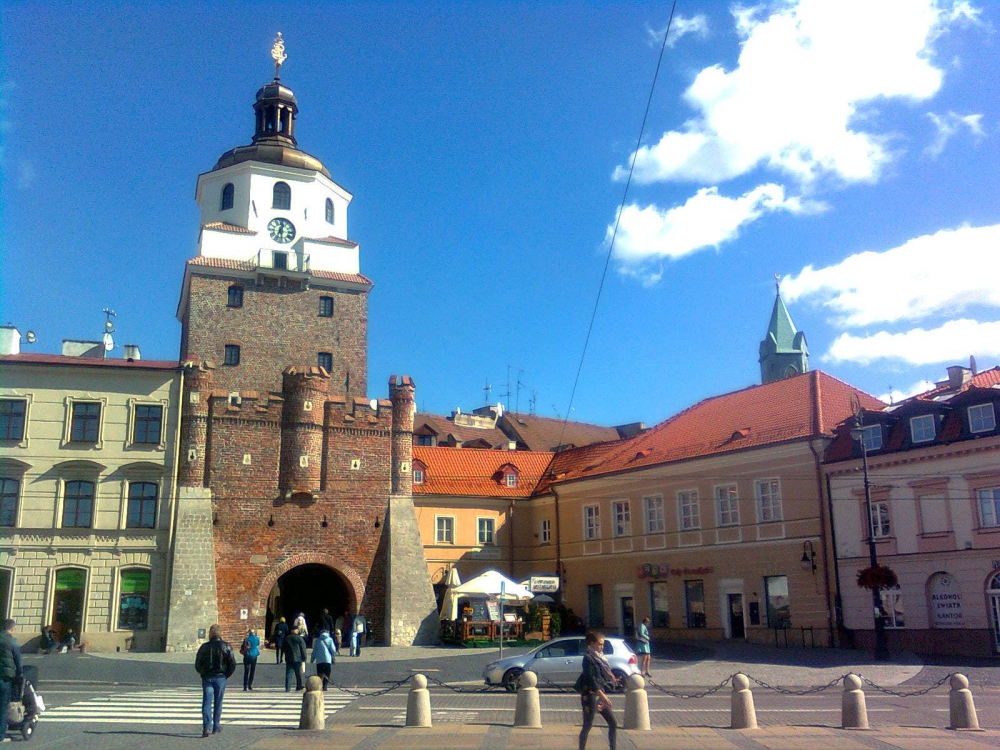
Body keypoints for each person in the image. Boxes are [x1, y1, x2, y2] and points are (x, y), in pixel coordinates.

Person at [577, 631, 617, 750]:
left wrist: (611, 679)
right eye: (600, 644)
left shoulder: (599, 658)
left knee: (613, 723)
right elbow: (591, 680)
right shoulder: (588, 658)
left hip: (600, 694)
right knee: (587, 726)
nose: (602, 647)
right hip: (590, 695)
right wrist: (604, 696)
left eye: (603, 644)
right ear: (592, 643)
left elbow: (601, 677)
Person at [194, 624, 236, 738]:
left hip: (207, 678)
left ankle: (207, 726)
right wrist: (226, 674)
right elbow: (232, 663)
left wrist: (203, 673)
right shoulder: (226, 646)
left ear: (210, 634)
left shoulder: (204, 647)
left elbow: (197, 664)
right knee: (218, 702)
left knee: (207, 702)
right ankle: (216, 725)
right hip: (221, 677)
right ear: (220, 633)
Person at [1, 619, 24, 744]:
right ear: (12, 629)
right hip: (5, 676)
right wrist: (20, 674)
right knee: (3, 706)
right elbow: (18, 660)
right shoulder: (12, 641)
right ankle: (0, 735)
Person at [282, 625, 308, 692]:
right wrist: (304, 658)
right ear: (296, 630)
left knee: (289, 673)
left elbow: (283, 648)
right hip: (297, 658)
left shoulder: (287, 638)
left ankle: (287, 687)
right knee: (298, 673)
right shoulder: (299, 638)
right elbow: (303, 648)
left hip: (289, 658)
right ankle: (299, 686)